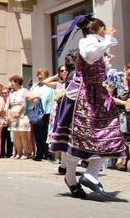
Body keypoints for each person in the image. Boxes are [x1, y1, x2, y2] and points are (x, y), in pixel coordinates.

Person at [50, 16, 126, 199]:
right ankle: (71, 177)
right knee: (78, 140)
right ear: (98, 29)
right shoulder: (86, 42)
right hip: (82, 95)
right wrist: (107, 41)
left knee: (108, 134)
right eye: (104, 29)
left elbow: (97, 63)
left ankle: (91, 174)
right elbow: (90, 57)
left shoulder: (97, 44)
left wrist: (106, 57)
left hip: (97, 94)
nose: (106, 31)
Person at [27, 68, 55, 161]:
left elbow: (49, 99)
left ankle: (46, 153)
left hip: (46, 112)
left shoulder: (49, 86)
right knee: (37, 134)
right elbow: (29, 97)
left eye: (41, 74)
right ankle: (39, 153)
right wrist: (36, 96)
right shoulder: (34, 87)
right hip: (36, 112)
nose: (39, 76)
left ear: (46, 76)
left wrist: (37, 97)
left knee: (45, 133)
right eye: (38, 74)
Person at [7, 75, 32, 159]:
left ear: (17, 82)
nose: (11, 83)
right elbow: (9, 105)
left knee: (23, 133)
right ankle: (19, 152)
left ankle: (26, 153)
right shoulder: (11, 93)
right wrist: (9, 115)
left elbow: (25, 102)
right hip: (13, 114)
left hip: (22, 114)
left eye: (12, 81)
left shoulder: (24, 90)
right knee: (15, 134)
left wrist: (18, 111)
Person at [0, 85, 13, 158]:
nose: (4, 94)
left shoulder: (10, 101)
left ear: (8, 93)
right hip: (1, 122)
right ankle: (2, 153)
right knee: (2, 138)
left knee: (9, 138)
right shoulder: (0, 100)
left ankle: (9, 153)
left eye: (6, 93)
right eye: (3, 93)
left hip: (9, 121)